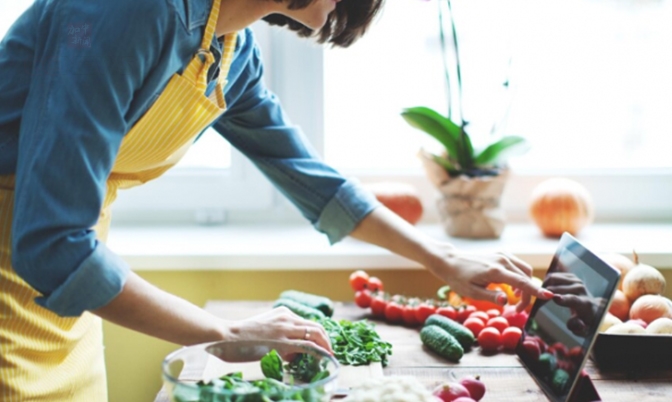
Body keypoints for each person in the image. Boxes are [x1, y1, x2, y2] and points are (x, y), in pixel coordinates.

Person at [0, 0, 552, 400]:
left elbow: (311, 180)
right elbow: (51, 243)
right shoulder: (130, 11)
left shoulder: (229, 48)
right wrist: (227, 334)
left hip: (64, 300)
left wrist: (440, 256)